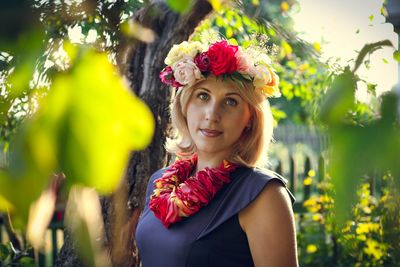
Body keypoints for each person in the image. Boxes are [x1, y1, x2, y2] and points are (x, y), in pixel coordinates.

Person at [135, 40, 298, 267]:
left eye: (231, 101)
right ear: (185, 105)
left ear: (250, 119)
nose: (212, 114)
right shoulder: (159, 182)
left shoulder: (263, 194)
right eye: (203, 96)